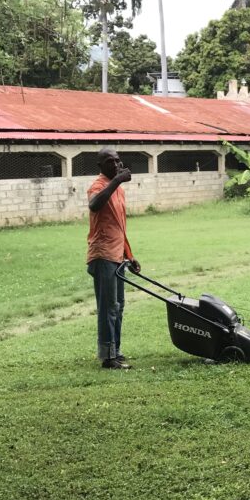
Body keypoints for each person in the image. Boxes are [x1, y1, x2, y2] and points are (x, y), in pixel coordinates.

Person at [87, 147, 140, 370]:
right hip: (102, 255)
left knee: (118, 306)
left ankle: (115, 350)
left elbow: (119, 226)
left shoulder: (118, 190)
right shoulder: (98, 186)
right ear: (100, 166)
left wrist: (130, 255)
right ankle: (108, 357)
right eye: (110, 162)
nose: (116, 165)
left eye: (118, 161)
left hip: (117, 255)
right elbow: (94, 204)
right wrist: (117, 180)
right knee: (108, 307)